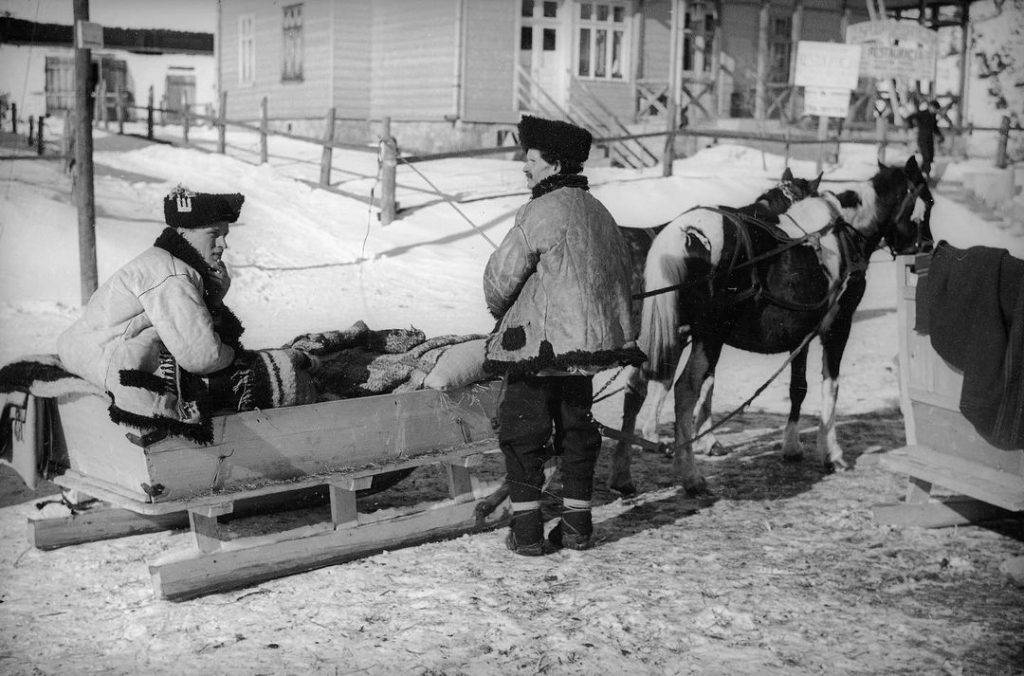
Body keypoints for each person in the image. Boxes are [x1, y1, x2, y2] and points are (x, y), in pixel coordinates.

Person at [483, 116, 645, 556]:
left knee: (523, 431)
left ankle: (528, 530)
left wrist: (504, 311)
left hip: (537, 349)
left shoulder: (539, 211)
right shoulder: (601, 213)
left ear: (553, 164)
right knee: (577, 431)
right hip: (585, 352)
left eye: (531, 159)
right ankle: (577, 526)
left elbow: (500, 281)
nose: (525, 166)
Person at [57, 186, 246, 442]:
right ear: (183, 233)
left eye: (225, 235)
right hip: (110, 362)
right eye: (214, 234)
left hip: (83, 350)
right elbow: (203, 356)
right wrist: (235, 356)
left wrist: (213, 300)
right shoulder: (173, 274)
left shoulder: (164, 261)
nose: (223, 244)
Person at [906, 99, 945, 178]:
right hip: (922, 139)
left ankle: (923, 173)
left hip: (930, 139)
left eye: (936, 109)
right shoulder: (922, 113)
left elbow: (934, 127)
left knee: (930, 157)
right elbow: (909, 118)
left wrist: (940, 135)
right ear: (930, 107)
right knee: (926, 157)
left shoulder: (933, 116)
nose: (935, 110)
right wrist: (911, 127)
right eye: (935, 108)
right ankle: (925, 175)